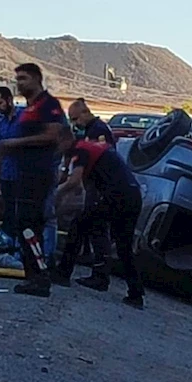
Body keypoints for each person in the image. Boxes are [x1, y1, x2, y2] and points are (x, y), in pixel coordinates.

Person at [52, 127, 145, 309]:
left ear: (65, 140)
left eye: (56, 145)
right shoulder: (84, 149)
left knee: (79, 226)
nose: (55, 149)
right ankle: (135, 293)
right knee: (122, 245)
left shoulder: (81, 150)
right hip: (132, 195)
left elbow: (73, 182)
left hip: (117, 196)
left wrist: (53, 197)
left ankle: (63, 273)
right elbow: (67, 178)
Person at [0, 63, 65, 298]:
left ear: (37, 78)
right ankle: (32, 275)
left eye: (24, 78)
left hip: (38, 174)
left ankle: (40, 276)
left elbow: (54, 135)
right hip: (22, 174)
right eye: (18, 79)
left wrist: (15, 144)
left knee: (29, 224)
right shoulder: (29, 107)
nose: (20, 83)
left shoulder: (49, 104)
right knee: (23, 223)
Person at [65, 99, 116, 267]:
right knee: (87, 223)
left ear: (85, 113)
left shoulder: (98, 130)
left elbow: (98, 158)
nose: (74, 123)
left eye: (75, 119)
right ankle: (87, 255)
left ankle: (99, 267)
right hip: (95, 183)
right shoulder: (91, 129)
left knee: (95, 226)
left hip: (102, 184)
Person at [0, 87, 25, 238]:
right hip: (6, 174)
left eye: (0, 103)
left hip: (23, 173)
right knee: (8, 212)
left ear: (9, 100)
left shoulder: (24, 118)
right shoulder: (1, 124)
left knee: (23, 214)